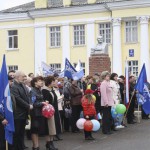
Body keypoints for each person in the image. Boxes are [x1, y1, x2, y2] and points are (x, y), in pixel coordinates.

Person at [11, 71, 33, 150]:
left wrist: (30, 103)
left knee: (21, 133)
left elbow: (28, 96)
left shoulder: (23, 85)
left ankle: (20, 147)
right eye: (23, 76)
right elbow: (17, 99)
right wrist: (28, 105)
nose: (25, 78)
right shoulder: (14, 86)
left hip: (24, 113)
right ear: (18, 77)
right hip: (17, 114)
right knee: (16, 133)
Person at [30, 76, 49, 150]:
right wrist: (43, 103)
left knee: (37, 130)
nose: (42, 82)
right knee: (34, 130)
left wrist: (44, 102)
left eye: (42, 80)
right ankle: (35, 146)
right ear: (35, 83)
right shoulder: (33, 91)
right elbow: (33, 103)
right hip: (35, 113)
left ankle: (37, 146)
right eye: (40, 81)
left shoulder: (39, 90)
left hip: (40, 113)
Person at [42, 76, 62, 147]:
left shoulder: (52, 90)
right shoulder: (44, 90)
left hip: (54, 110)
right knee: (49, 128)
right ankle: (49, 143)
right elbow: (46, 101)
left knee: (53, 127)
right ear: (49, 82)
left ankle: (51, 142)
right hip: (48, 111)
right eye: (53, 81)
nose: (54, 83)